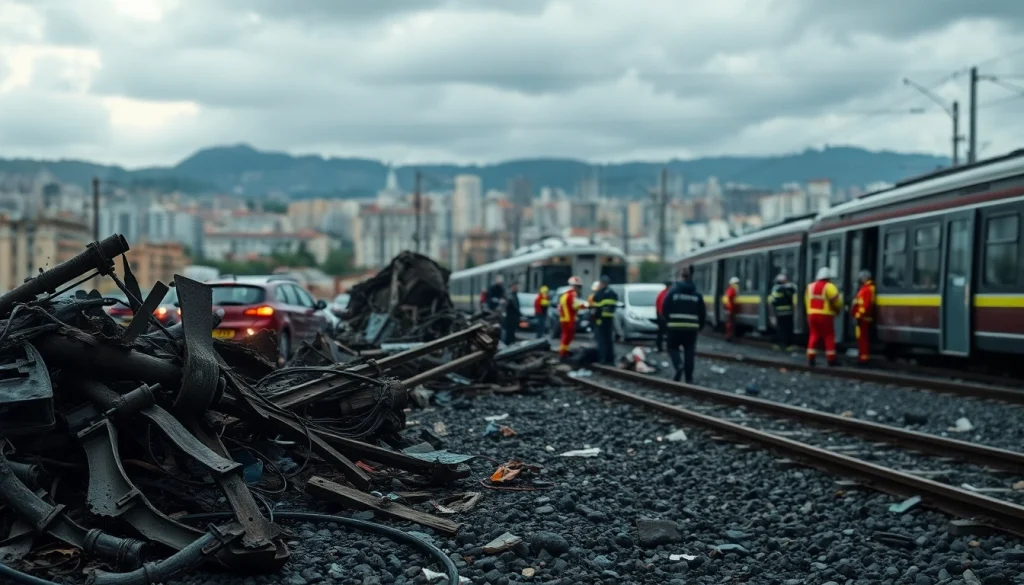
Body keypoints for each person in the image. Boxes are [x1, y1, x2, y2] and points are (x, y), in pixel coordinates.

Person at [663, 266, 707, 382]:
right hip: (691, 329)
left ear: (680, 276)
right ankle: (689, 378)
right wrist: (699, 326)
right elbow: (702, 313)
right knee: (689, 352)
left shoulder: (673, 293)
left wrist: (668, 322)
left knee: (672, 347)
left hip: (674, 327)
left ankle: (678, 366)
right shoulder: (697, 295)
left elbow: (665, 308)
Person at [805, 266, 843, 367]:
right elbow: (837, 302)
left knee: (813, 335)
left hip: (811, 315)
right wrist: (837, 310)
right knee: (828, 336)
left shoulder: (810, 286)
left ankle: (811, 358)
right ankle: (831, 360)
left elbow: (806, 301)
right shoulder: (829, 286)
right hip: (825, 315)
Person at [591, 275, 619, 365]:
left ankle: (602, 359)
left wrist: (596, 319)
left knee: (601, 340)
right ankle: (610, 359)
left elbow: (596, 308)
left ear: (602, 283)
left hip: (600, 320)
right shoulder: (613, 293)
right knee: (609, 340)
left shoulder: (599, 294)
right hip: (609, 319)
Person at [850, 269, 876, 366]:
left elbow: (865, 306)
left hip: (863, 319)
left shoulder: (867, 289)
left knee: (863, 339)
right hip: (862, 318)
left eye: (862, 277)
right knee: (861, 339)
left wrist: (858, 316)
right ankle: (862, 356)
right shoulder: (866, 288)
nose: (861, 279)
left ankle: (863, 359)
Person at [558, 276, 585, 359]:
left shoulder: (564, 295)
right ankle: (563, 354)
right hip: (569, 319)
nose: (579, 288)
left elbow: (560, 307)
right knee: (567, 336)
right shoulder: (571, 295)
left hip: (564, 319)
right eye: (578, 286)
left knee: (566, 336)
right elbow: (575, 305)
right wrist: (585, 306)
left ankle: (564, 352)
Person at [769, 273, 797, 351]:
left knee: (780, 329)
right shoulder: (790, 288)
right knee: (788, 329)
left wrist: (772, 315)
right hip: (789, 313)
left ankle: (779, 344)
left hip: (779, 313)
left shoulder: (776, 289)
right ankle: (788, 345)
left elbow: (773, 301)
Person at [502, 281, 521, 345]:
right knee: (510, 333)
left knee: (510, 333)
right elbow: (514, 307)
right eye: (516, 286)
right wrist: (519, 313)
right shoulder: (511, 296)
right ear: (513, 287)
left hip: (511, 318)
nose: (518, 288)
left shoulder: (513, 295)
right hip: (511, 318)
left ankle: (509, 344)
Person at [655, 281, 671, 352]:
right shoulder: (664, 294)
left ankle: (664, 347)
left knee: (663, 333)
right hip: (663, 316)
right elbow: (660, 305)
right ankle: (661, 347)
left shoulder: (663, 293)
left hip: (663, 316)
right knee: (664, 333)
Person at [724, 276, 739, 341]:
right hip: (730, 310)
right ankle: (728, 336)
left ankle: (730, 335)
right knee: (730, 323)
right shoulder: (731, 290)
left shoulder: (733, 290)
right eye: (736, 283)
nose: (737, 285)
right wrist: (729, 309)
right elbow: (727, 300)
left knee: (731, 323)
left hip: (732, 310)